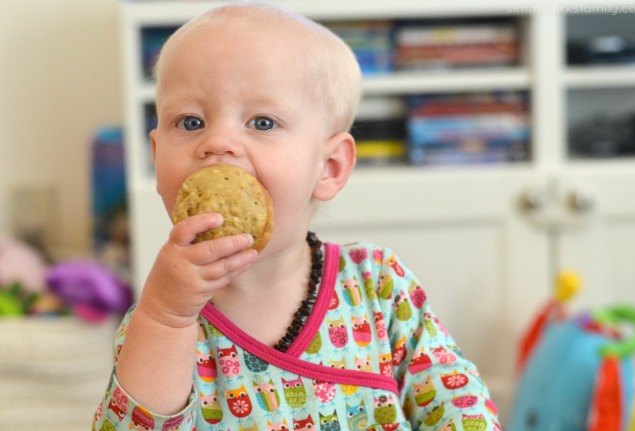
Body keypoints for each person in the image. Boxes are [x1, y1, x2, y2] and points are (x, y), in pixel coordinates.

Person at [93, 3, 501, 430]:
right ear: (157, 159)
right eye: (191, 121)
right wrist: (167, 317)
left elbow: (460, 406)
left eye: (263, 122)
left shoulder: (379, 286)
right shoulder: (157, 322)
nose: (218, 142)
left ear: (328, 168)